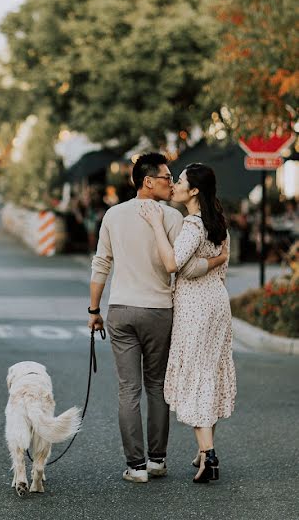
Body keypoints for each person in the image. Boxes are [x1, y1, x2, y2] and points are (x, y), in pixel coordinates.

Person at [88, 153, 228, 483]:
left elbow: (101, 264)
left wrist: (94, 310)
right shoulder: (173, 218)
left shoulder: (113, 215)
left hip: (120, 310)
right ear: (148, 181)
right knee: (156, 387)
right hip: (159, 312)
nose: (171, 182)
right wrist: (218, 260)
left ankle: (135, 467)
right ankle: (157, 461)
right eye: (167, 177)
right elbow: (186, 267)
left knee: (128, 391)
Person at [139, 163, 236, 484]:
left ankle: (208, 455)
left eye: (180, 181)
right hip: (218, 302)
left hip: (195, 306)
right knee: (208, 370)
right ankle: (205, 448)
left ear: (194, 191)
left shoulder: (193, 225)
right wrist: (211, 262)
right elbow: (216, 267)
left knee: (197, 373)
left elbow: (172, 263)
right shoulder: (219, 223)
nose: (175, 185)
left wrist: (155, 224)